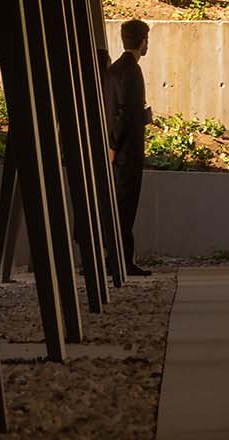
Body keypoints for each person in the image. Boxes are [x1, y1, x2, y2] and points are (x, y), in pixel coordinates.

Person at [104, 19, 152, 277]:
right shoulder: (131, 72)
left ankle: (118, 258)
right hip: (127, 152)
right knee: (125, 206)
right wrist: (114, 146)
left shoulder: (115, 70)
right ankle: (120, 261)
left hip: (119, 149)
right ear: (143, 41)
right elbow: (124, 116)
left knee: (120, 205)